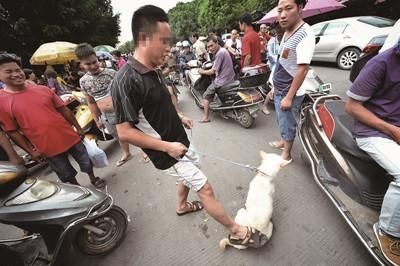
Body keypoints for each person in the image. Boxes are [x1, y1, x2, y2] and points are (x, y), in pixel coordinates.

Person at [111, 5, 263, 248]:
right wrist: (166, 147)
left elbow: (160, 102)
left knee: (192, 172)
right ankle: (236, 230)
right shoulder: (125, 80)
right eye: (164, 41)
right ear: (143, 38)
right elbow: (124, 131)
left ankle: (181, 206)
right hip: (167, 152)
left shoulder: (153, 69)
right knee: (205, 188)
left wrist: (179, 115)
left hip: (179, 141)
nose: (169, 47)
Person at [0, 53, 105, 188]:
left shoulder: (43, 89)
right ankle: (79, 190)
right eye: (9, 72)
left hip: (69, 136)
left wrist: (78, 128)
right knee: (65, 173)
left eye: (18, 70)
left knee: (86, 161)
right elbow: (12, 131)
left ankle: (93, 178)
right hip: (46, 146)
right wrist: (31, 152)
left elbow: (64, 110)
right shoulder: (2, 102)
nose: (16, 74)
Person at [345, 40, 400, 266]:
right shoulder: (381, 63)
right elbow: (352, 106)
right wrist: (393, 130)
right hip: (374, 131)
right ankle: (387, 231)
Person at [75, 43, 143, 167]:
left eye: (94, 62)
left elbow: (125, 91)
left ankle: (147, 150)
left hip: (122, 110)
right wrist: (97, 119)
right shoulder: (83, 81)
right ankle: (127, 153)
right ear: (81, 64)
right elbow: (91, 102)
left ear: (98, 58)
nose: (92, 66)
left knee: (135, 131)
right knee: (118, 136)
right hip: (106, 116)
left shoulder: (111, 73)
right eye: (88, 64)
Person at [269, 0, 315, 166]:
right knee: (282, 120)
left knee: (287, 122)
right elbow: (282, 60)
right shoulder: (287, 31)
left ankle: (287, 154)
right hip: (280, 87)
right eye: (280, 10)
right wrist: (273, 85)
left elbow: (302, 69)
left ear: (300, 8)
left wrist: (289, 97)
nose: (282, 14)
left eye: (288, 9)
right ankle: (283, 142)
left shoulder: (305, 33)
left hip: (290, 91)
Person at [199, 36, 235, 123]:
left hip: (222, 81)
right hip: (231, 78)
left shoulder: (219, 53)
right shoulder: (223, 50)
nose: (210, 48)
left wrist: (202, 71)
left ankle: (205, 117)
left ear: (217, 43)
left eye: (211, 45)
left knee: (206, 96)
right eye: (208, 47)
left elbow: (212, 71)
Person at [262, 23, 284, 115]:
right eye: (277, 31)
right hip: (273, 66)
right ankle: (264, 105)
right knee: (274, 88)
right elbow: (270, 56)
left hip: (282, 66)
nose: (278, 33)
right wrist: (279, 61)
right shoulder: (271, 42)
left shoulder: (284, 41)